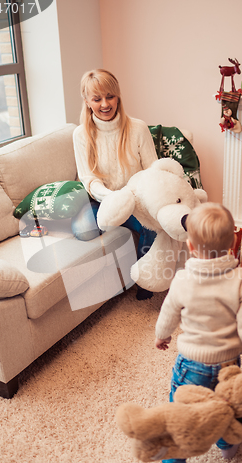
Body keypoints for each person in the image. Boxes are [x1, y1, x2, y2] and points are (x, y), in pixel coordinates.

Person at [154, 202, 242, 463]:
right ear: (235, 240)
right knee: (226, 404)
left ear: (191, 245)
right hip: (229, 365)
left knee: (182, 420)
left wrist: (162, 336)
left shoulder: (182, 279)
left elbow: (168, 314)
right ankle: (228, 444)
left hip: (191, 365)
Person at [72, 69, 158, 300]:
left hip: (137, 200)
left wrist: (136, 200)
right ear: (87, 101)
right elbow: (88, 179)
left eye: (110, 96)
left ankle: (145, 279)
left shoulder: (138, 128)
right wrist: (111, 197)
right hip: (103, 201)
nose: (105, 104)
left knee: (153, 226)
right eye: (97, 98)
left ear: (118, 97)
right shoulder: (80, 135)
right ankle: (122, 224)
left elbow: (153, 170)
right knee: (82, 230)